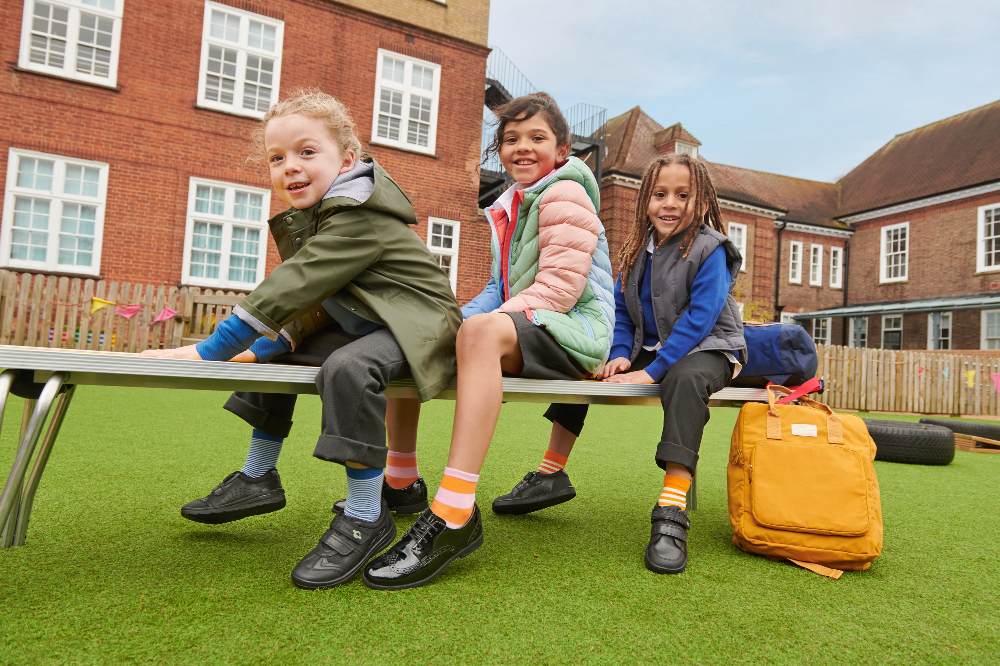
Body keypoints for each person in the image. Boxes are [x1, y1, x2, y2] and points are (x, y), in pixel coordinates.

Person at [142, 90, 461, 589]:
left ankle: (364, 515)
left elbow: (293, 285)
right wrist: (263, 348)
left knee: (349, 369)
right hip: (373, 322)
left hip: (420, 326)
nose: (290, 167)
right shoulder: (320, 216)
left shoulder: (359, 214)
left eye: (307, 152)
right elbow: (314, 305)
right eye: (277, 157)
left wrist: (211, 349)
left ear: (348, 160)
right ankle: (257, 476)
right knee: (272, 357)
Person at [363, 92, 615, 590]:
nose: (522, 148)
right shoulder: (514, 203)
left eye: (537, 138)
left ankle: (455, 510)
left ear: (562, 150)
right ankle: (401, 479)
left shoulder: (565, 195)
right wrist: (446, 322)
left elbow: (561, 290)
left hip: (576, 329)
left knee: (476, 333)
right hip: (534, 320)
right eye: (510, 139)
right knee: (422, 333)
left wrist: (476, 329)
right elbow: (500, 289)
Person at [536, 152, 746, 574]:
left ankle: (672, 509)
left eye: (683, 195)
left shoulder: (712, 249)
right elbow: (623, 309)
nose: (669, 203)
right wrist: (615, 355)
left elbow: (699, 318)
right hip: (653, 346)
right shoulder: (638, 251)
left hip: (710, 347)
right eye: (660, 194)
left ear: (702, 201)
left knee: (684, 381)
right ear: (645, 201)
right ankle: (549, 472)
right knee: (585, 363)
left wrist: (652, 370)